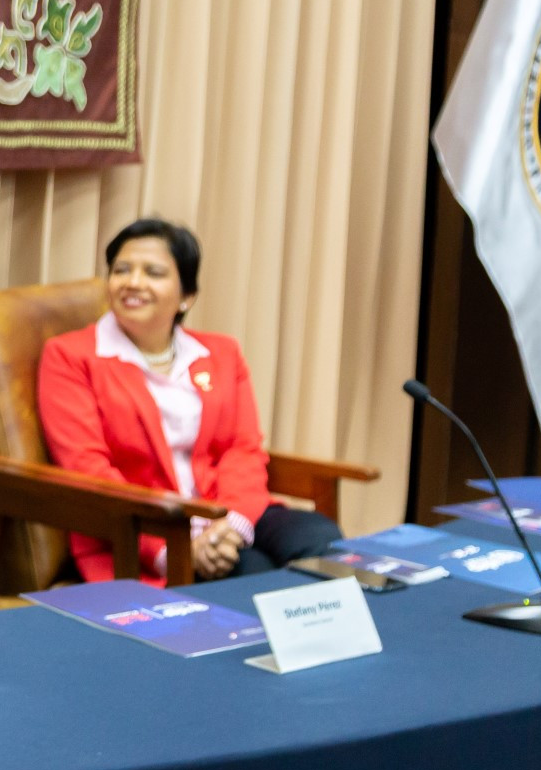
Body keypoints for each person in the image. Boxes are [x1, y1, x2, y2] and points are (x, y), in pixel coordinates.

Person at [37, 218, 342, 586]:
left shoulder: (221, 353)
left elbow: (242, 449)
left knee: (320, 539)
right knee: (254, 572)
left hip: (224, 510)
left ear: (187, 295)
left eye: (153, 272)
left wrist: (232, 525)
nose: (133, 282)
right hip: (139, 532)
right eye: (121, 270)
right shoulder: (71, 356)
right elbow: (88, 469)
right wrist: (176, 549)